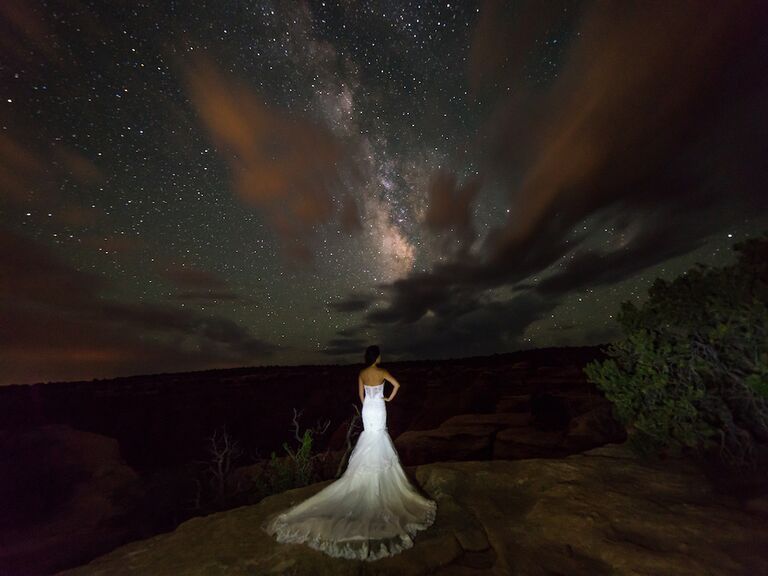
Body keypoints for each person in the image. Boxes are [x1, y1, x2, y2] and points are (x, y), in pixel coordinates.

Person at [263, 345, 437, 561]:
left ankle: (364, 476)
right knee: (379, 436)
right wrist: (387, 399)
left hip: (368, 409)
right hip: (379, 407)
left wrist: (370, 403)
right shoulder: (381, 372)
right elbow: (397, 385)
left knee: (369, 436)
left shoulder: (362, 373)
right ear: (377, 357)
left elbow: (361, 396)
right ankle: (379, 478)